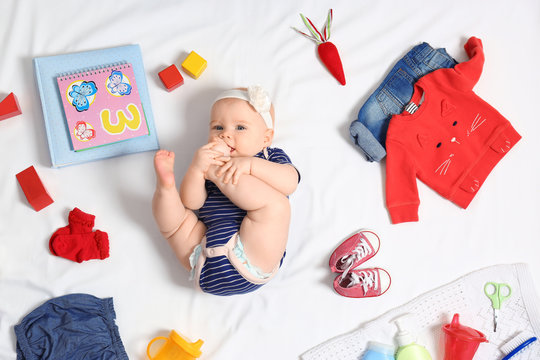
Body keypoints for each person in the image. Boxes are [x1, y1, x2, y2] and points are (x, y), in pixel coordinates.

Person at [152, 86, 299, 296]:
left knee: (276, 206)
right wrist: (196, 169)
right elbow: (192, 203)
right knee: (176, 225)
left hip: (253, 255)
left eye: (240, 128)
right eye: (218, 128)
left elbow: (290, 182)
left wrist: (249, 166)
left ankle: (168, 190)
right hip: (202, 256)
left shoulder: (267, 157)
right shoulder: (209, 160)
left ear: (266, 138)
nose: (226, 135)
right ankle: (164, 189)